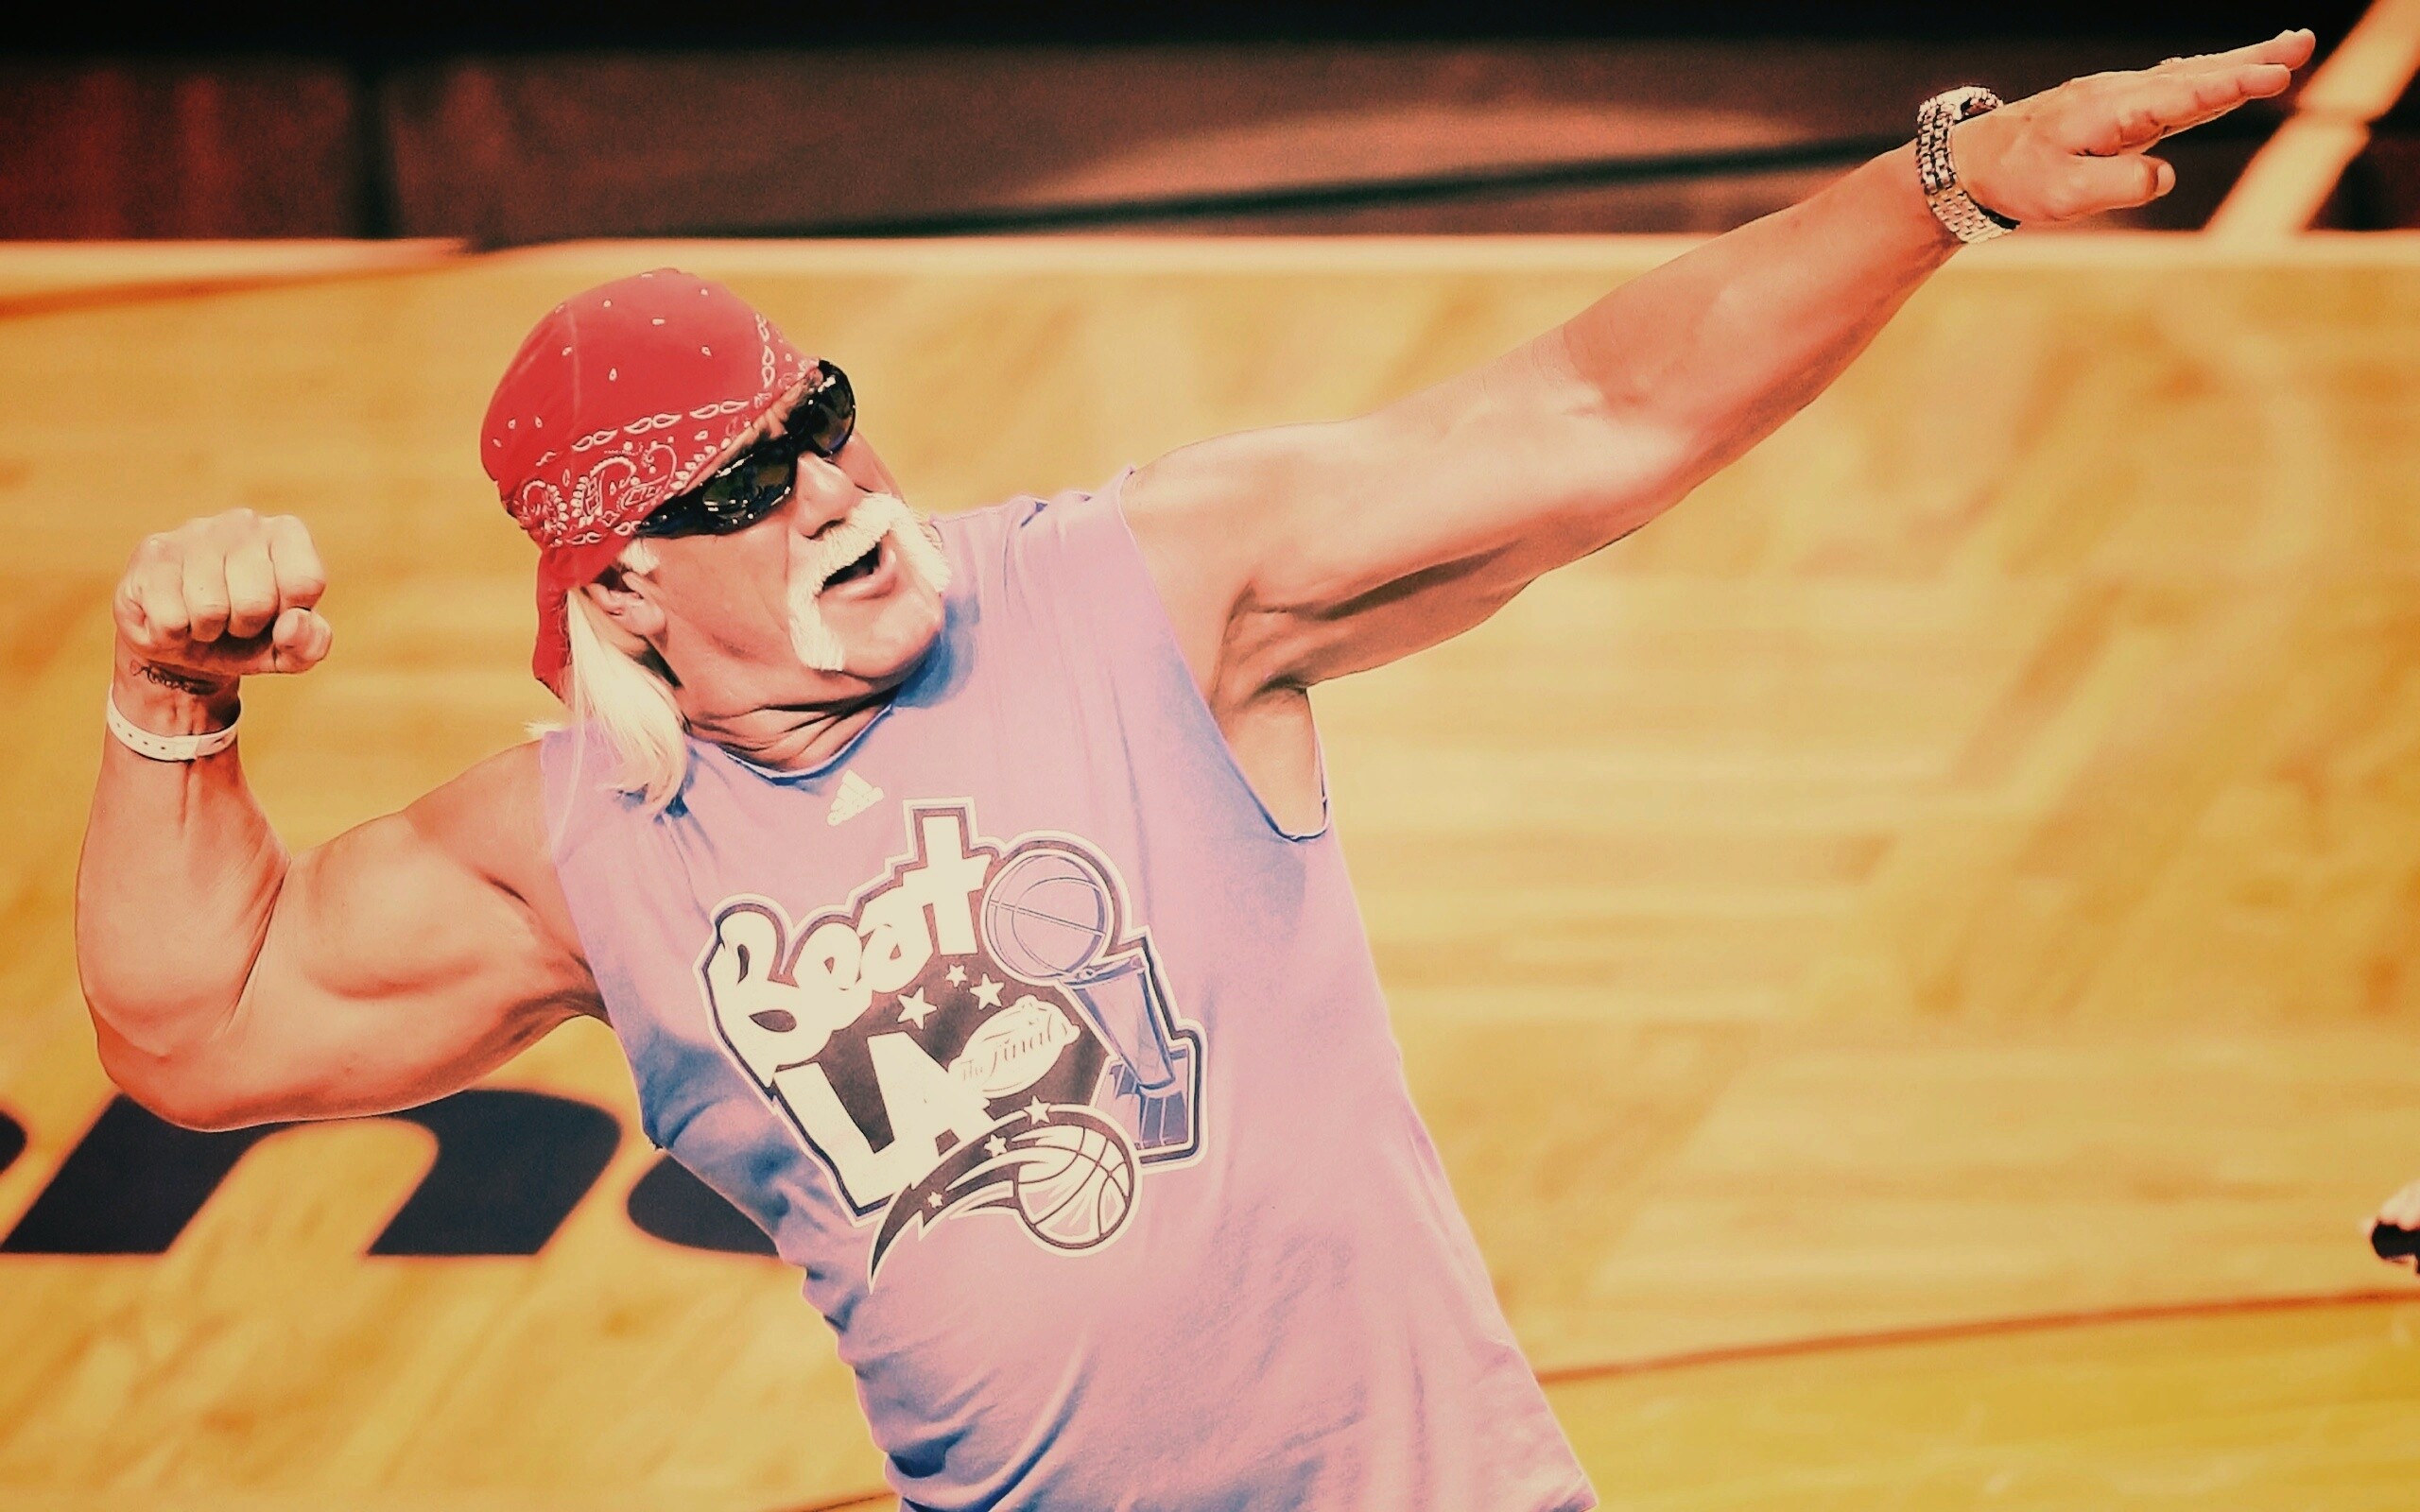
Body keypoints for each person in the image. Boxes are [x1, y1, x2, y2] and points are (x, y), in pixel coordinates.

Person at [78, 32, 2311, 1511]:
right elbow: (200, 1030)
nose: (826, 486)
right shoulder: (583, 845)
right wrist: (171, 698)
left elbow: (1595, 408)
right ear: (623, 585)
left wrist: (1941, 180)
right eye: (739, 483)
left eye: (817, 421)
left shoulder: (1137, 594)